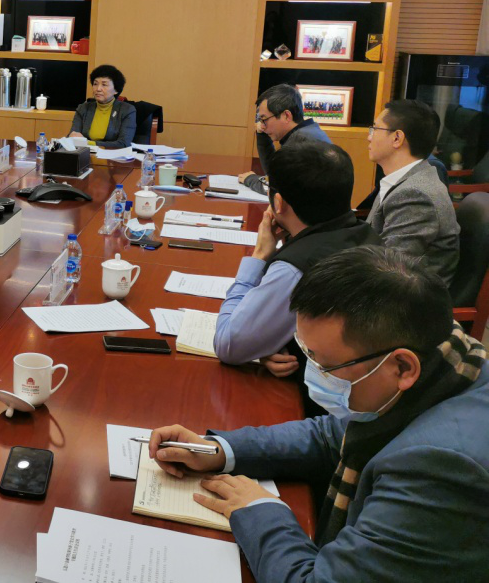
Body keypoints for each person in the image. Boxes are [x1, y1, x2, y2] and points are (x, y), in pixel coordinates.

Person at [148, 246, 489, 581]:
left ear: (402, 367)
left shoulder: (440, 470)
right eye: (307, 353)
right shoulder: (441, 350)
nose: (312, 373)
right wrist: (218, 450)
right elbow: (331, 436)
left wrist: (263, 512)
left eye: (325, 364)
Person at [215, 142, 379, 376]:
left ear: (278, 203)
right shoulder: (367, 235)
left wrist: (259, 256)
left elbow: (228, 344)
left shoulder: (294, 269)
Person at [366, 100, 459, 286]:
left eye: (375, 129)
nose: (369, 137)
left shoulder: (416, 194)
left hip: (406, 297)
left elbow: (389, 270)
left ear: (397, 138)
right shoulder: (405, 180)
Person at [240, 84, 330, 194]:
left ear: (286, 116)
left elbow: (278, 189)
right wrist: (263, 135)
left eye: (264, 119)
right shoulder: (308, 132)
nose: (262, 125)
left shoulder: (300, 144)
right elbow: (276, 174)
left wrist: (251, 180)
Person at [68, 64, 136, 149]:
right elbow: (73, 136)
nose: (98, 89)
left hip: (112, 155)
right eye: (95, 84)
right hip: (85, 154)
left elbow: (124, 143)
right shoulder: (83, 108)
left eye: (104, 85)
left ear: (116, 90)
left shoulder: (127, 110)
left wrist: (88, 143)